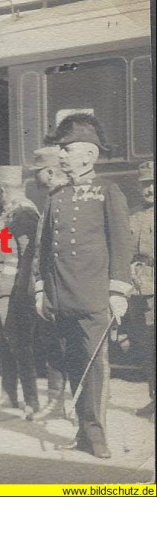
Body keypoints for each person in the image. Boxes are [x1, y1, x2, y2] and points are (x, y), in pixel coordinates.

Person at [34, 113, 133, 458]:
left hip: (93, 298)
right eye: (60, 149)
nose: (61, 155)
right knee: (72, 363)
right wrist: (39, 289)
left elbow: (121, 244)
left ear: (88, 155)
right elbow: (43, 249)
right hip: (60, 298)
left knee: (94, 367)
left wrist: (118, 291)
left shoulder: (108, 192)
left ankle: (97, 434)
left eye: (67, 149)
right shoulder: (57, 197)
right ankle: (82, 430)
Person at [0, 166, 41, 417]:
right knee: (6, 343)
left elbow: (28, 254)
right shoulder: (9, 213)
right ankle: (9, 394)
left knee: (18, 343)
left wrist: (18, 288)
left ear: (2, 189)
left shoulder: (22, 212)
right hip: (1, 289)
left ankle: (32, 400)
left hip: (11, 291)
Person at [29, 145, 70, 421]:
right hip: (53, 287)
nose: (35, 178)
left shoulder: (67, 198)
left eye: (38, 172)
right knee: (54, 343)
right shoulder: (52, 199)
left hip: (69, 286)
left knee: (75, 346)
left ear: (51, 171)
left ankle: (81, 408)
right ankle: (56, 403)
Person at [129, 161, 154, 420]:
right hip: (139, 288)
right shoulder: (133, 215)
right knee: (146, 345)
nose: (150, 188)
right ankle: (154, 398)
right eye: (145, 183)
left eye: (153, 183)